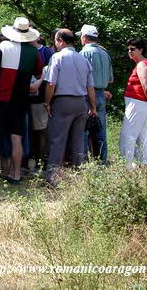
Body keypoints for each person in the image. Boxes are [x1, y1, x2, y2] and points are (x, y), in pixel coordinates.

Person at [0, 17, 42, 183]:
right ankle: (16, 174)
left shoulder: (4, 46)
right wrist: (35, 85)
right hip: (20, 100)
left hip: (1, 97)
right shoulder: (33, 52)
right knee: (17, 138)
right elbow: (40, 74)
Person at [44, 29, 96, 183]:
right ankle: (78, 177)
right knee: (78, 140)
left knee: (57, 139)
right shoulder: (83, 60)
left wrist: (47, 102)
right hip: (81, 102)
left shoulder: (57, 57)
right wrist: (93, 107)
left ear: (60, 40)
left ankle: (53, 177)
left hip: (62, 101)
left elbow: (51, 83)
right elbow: (90, 87)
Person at [119, 38, 147, 169]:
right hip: (141, 104)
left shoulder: (142, 65)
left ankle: (127, 167)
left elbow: (146, 86)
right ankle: (144, 164)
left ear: (141, 50)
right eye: (128, 49)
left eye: (133, 49)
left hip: (137, 104)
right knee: (142, 135)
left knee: (127, 135)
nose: (129, 51)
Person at [77, 24, 113, 163]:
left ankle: (84, 162)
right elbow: (110, 79)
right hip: (101, 95)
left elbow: (80, 78)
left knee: (84, 131)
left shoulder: (83, 53)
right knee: (101, 130)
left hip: (86, 95)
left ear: (85, 37)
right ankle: (102, 161)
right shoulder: (105, 54)